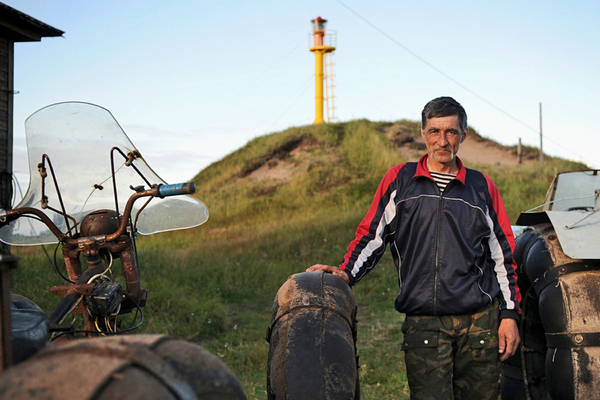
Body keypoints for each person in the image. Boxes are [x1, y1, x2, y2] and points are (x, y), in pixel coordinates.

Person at [307, 96, 521, 400]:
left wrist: (510, 314)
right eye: (435, 131)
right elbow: (373, 235)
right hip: (424, 323)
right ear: (423, 133)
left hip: (479, 324)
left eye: (451, 132)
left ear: (464, 134)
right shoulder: (401, 181)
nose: (443, 141)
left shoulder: (482, 187)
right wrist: (345, 272)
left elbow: (504, 255)